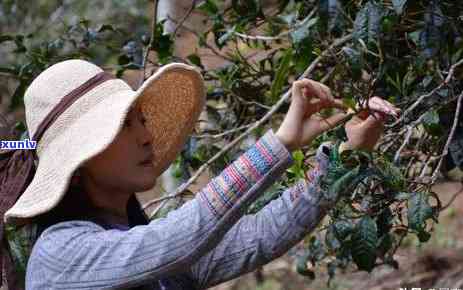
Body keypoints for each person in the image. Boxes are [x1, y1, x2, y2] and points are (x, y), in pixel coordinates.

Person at [0, 59, 399, 290]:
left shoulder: (127, 242)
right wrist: (280, 143)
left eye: (140, 120)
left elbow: (259, 235)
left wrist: (346, 156)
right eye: (123, 126)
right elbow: (175, 239)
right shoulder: (58, 257)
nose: (145, 137)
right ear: (79, 160)